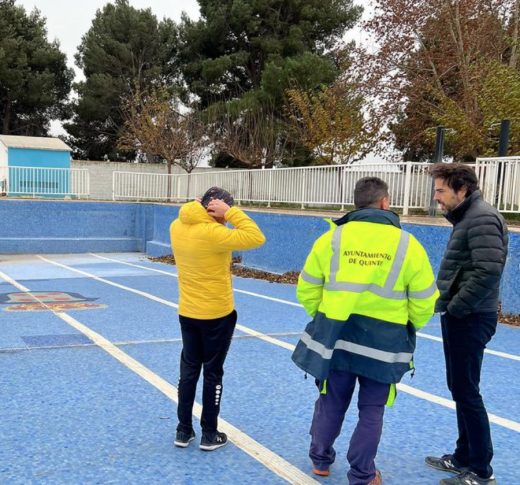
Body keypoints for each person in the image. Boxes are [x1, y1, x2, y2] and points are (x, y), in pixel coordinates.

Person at [291, 177, 438, 485]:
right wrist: (407, 326)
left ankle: (320, 460)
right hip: (384, 345)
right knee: (372, 410)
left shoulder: (332, 239)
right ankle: (362, 474)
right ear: (385, 203)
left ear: (356, 203)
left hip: (336, 340)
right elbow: (425, 301)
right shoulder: (407, 244)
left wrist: (326, 317)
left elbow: (306, 289)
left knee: (330, 401)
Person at [425, 164, 508, 485]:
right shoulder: (469, 217)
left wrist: (457, 308)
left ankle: (481, 470)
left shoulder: (482, 218)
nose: (436, 198)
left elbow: (487, 272)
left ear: (462, 190)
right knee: (459, 387)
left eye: (441, 191)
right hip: (463, 315)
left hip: (471, 316)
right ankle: (463, 456)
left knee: (467, 391)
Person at [170, 187, 265, 451]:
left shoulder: (177, 225)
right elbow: (256, 237)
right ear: (216, 210)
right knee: (212, 372)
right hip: (217, 314)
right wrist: (231, 213)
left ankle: (183, 429)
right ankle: (209, 433)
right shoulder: (214, 233)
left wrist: (207, 210)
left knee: (188, 371)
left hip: (187, 312)